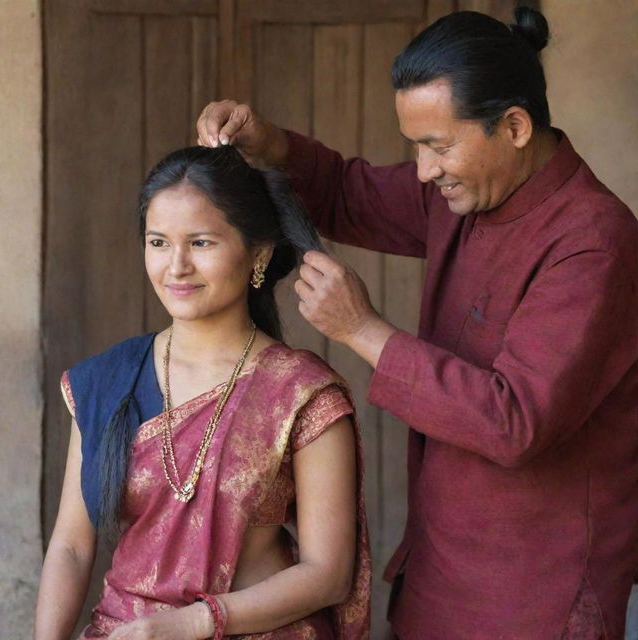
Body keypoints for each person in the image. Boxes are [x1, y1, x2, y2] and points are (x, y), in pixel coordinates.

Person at [196, 7, 638, 640]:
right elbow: (349, 194)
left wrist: (361, 329)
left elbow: (515, 422)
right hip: (440, 568)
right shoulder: (467, 191)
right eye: (416, 147)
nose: (426, 170)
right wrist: (268, 145)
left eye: (438, 145)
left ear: (513, 126)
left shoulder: (595, 242)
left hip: (538, 592)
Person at [34, 146, 371, 639]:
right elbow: (71, 546)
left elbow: (328, 573)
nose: (176, 267)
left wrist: (191, 623)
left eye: (201, 243)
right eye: (158, 242)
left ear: (259, 253)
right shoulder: (105, 380)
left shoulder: (300, 392)